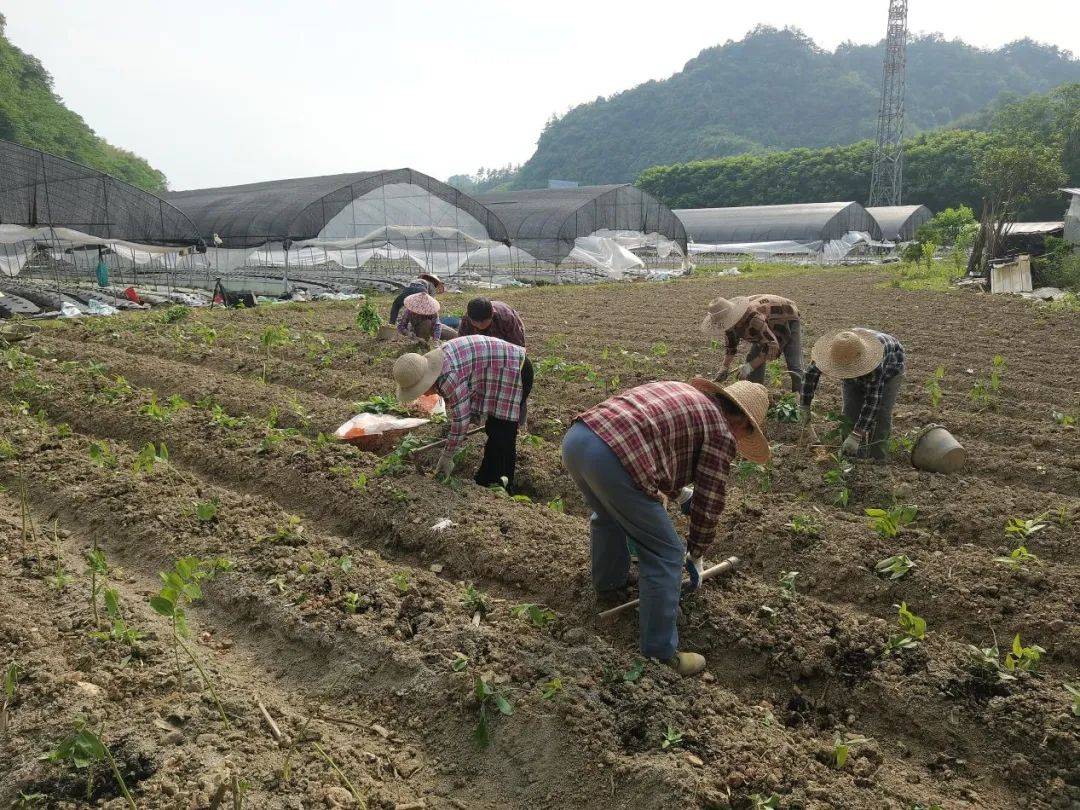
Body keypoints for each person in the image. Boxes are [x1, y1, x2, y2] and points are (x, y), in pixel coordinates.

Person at [561, 379, 769, 677]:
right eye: (744, 435)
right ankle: (660, 654)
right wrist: (696, 552)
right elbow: (709, 501)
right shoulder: (722, 432)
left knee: (609, 515)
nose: (738, 441)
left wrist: (679, 494)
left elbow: (653, 447)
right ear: (742, 423)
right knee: (666, 554)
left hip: (579, 439)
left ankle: (609, 584)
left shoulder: (687, 394)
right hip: (615, 457)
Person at [393, 335, 533, 489]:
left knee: (503, 434)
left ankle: (501, 485)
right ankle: (486, 479)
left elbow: (461, 421)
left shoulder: (448, 377)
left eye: (420, 390)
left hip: (515, 370)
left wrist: (447, 455)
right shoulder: (438, 363)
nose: (423, 395)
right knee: (495, 429)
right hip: (502, 368)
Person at [799, 328, 906, 461]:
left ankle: (878, 458)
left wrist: (856, 436)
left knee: (881, 415)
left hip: (891, 367)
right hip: (855, 359)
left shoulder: (874, 363)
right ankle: (852, 458)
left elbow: (872, 402)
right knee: (850, 411)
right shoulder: (831, 352)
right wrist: (804, 406)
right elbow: (810, 376)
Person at [701, 294, 802, 391]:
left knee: (794, 363)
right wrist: (724, 367)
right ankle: (756, 393)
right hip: (766, 320)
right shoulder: (728, 324)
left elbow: (771, 346)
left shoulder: (753, 318)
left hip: (786, 315)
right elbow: (731, 346)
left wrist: (748, 368)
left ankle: (802, 397)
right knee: (753, 358)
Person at [457, 297, 526, 347]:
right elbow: (462, 345)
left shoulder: (506, 318)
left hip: (505, 340)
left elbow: (517, 345)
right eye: (475, 323)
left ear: (492, 315)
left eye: (483, 322)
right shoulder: (466, 321)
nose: (479, 326)